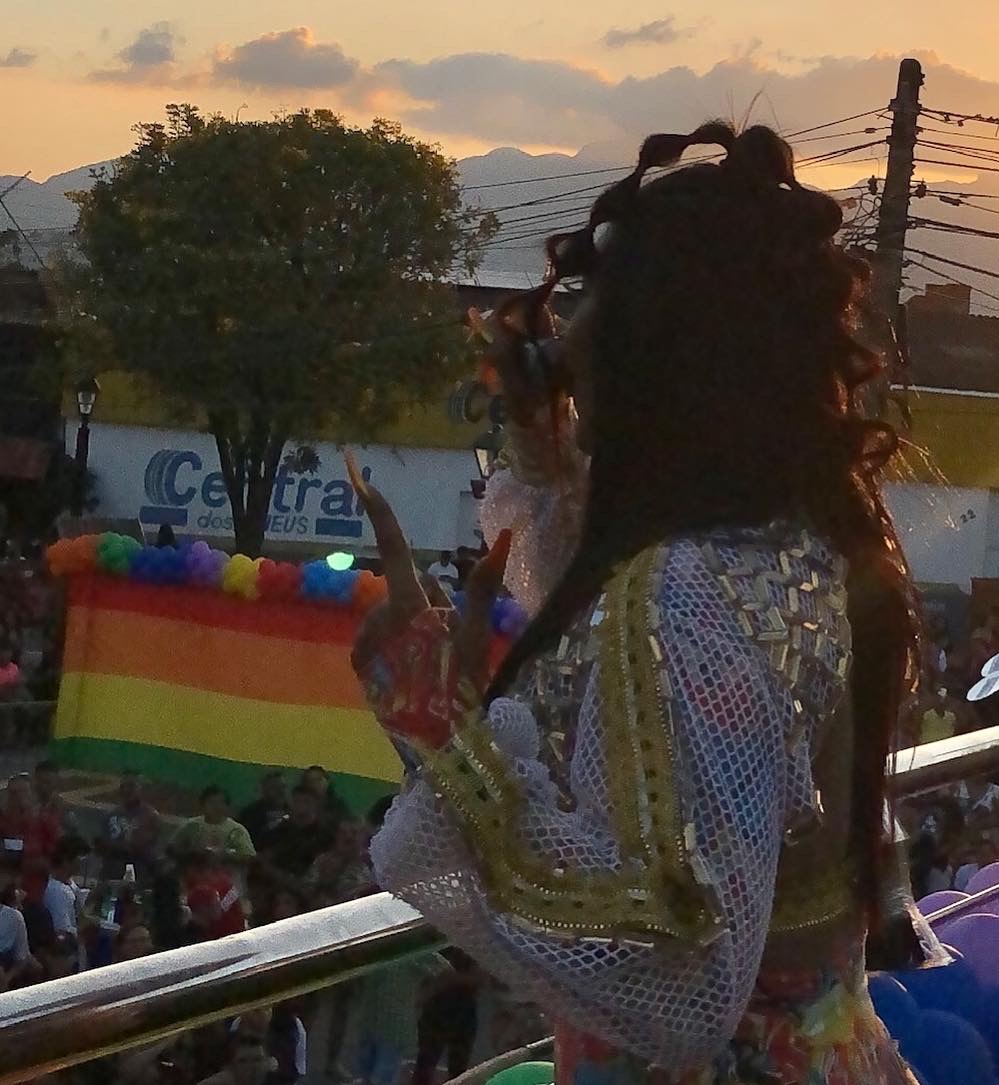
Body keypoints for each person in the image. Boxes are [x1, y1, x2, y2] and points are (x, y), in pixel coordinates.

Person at [354, 122, 922, 1083]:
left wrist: (446, 735)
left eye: (600, 306)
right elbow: (657, 714)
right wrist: (549, 458)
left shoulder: (687, 591)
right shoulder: (797, 534)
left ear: (671, 360)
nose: (569, 339)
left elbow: (679, 966)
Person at [412, 948, 484, 1085]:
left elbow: (479, 978)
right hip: (438, 1009)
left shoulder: (476, 949)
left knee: (457, 1068)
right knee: (426, 1063)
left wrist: (449, 979)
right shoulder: (435, 948)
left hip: (462, 1011)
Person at [173, 786, 256, 892]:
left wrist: (226, 855)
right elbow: (173, 848)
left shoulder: (236, 829)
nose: (217, 807)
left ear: (227, 806)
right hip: (194, 880)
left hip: (228, 883)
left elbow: (249, 856)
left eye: (221, 803)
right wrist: (193, 853)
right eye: (212, 802)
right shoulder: (192, 825)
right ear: (203, 805)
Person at [260, 786, 334, 886]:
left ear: (316, 805)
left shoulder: (324, 835)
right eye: (297, 801)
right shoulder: (281, 830)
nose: (301, 806)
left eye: (306, 802)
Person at [99, 769, 163, 879]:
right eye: (123, 786)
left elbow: (145, 845)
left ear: (140, 789)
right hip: (114, 868)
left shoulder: (150, 816)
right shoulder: (111, 815)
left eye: (131, 786)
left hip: (140, 868)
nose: (126, 790)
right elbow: (103, 843)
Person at [42, 836, 88, 939]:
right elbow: (62, 932)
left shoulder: (69, 883)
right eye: (80, 857)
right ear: (66, 859)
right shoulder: (57, 892)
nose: (83, 861)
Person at [239, 771, 291, 853]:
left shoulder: (294, 812)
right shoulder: (250, 814)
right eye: (275, 787)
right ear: (264, 790)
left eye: (283, 787)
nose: (281, 791)